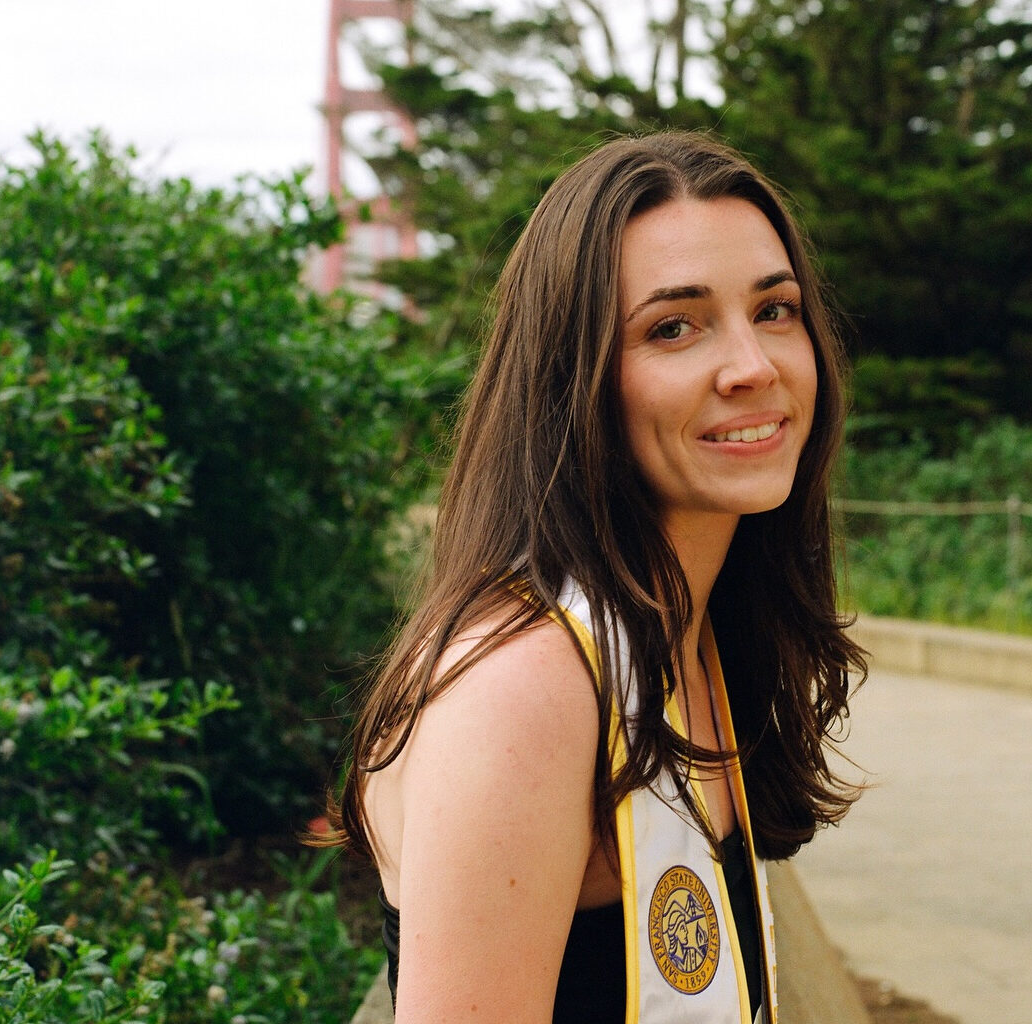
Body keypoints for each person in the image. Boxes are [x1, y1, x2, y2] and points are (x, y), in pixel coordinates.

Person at [329, 130, 866, 1024]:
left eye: (775, 310)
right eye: (673, 327)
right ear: (571, 378)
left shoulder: (698, 634)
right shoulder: (520, 682)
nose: (753, 366)